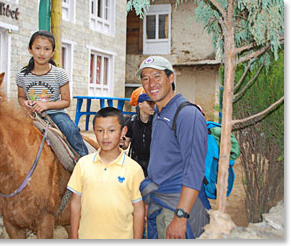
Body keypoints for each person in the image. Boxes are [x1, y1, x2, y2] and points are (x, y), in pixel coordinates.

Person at [137, 56, 210, 239]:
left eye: (157, 76)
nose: (151, 83)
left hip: (176, 207)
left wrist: (181, 216)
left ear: (171, 78)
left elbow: (194, 170)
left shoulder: (186, 115)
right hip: (159, 202)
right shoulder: (160, 114)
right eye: (145, 78)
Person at [67, 107, 145, 239]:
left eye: (112, 130)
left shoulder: (134, 169)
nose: (105, 136)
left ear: (123, 132)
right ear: (94, 132)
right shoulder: (83, 164)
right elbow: (75, 203)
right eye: (100, 130)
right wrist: (74, 237)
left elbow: (138, 209)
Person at [16, 30, 88, 157]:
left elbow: (66, 101)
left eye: (47, 49)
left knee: (71, 129)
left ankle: (84, 159)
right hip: (30, 114)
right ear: (30, 49)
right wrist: (25, 102)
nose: (42, 53)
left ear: (53, 52)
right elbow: (21, 97)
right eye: (37, 48)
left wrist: (46, 105)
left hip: (55, 113)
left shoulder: (59, 74)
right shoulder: (22, 75)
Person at [121, 93, 155, 177]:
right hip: (136, 163)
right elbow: (125, 145)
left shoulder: (157, 122)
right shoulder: (131, 122)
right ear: (140, 104)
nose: (153, 106)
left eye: (154, 103)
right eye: (150, 103)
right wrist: (121, 141)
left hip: (153, 164)